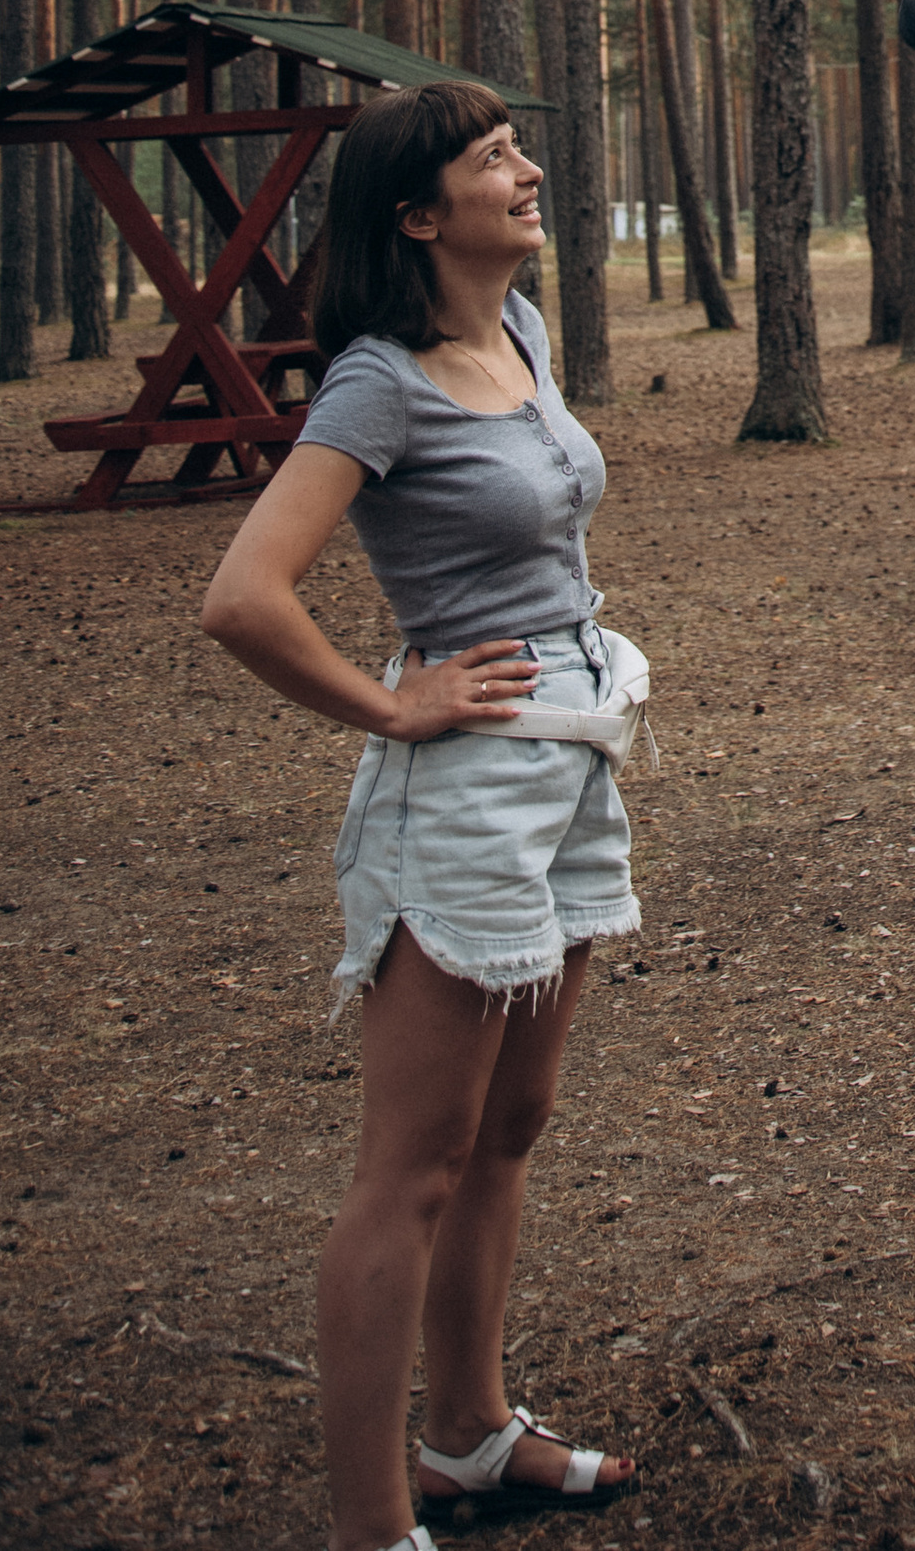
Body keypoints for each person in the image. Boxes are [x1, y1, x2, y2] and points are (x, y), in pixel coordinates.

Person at [201, 84, 642, 1551]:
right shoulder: (378, 381)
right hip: (463, 789)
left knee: (511, 1124)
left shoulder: (513, 333)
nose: (527, 167)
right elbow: (244, 598)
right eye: (492, 156)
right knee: (416, 1164)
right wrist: (395, 705)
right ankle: (375, 1521)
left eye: (522, 141)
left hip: (571, 756)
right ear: (415, 212)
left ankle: (466, 1433)